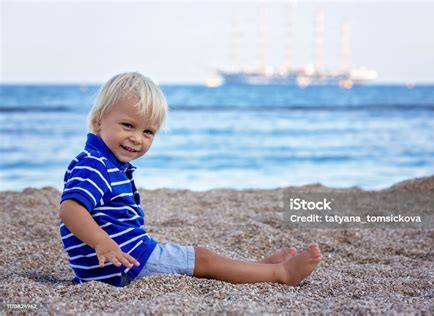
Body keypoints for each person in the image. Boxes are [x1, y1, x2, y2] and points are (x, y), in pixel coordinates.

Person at [59, 72, 322, 287]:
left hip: (116, 265)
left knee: (202, 258)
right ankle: (281, 275)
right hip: (127, 265)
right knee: (203, 259)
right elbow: (70, 208)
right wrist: (102, 242)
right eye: (128, 125)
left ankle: (261, 268)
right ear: (97, 122)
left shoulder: (105, 163)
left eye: (148, 131)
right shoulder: (95, 165)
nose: (137, 138)